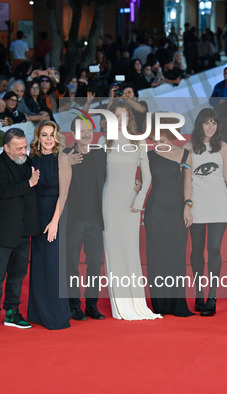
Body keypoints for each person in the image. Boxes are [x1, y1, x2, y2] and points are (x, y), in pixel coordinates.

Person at [100, 100, 161, 321]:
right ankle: (119, 306)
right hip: (108, 203)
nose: (120, 120)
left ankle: (135, 302)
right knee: (112, 252)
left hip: (131, 205)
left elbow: (148, 177)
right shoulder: (103, 141)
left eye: (124, 116)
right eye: (116, 116)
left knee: (130, 252)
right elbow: (98, 176)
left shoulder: (138, 141)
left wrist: (139, 200)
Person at [0, 128, 41, 333]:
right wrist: (29, 184)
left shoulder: (26, 161)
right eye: (19, 148)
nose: (23, 151)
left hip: (24, 230)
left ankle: (12, 312)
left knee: (17, 274)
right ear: (6, 147)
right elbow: (3, 191)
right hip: (3, 230)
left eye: (25, 147)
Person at [183, 108, 227, 316]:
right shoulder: (188, 147)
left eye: (214, 123)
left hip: (219, 203)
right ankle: (198, 291)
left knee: (214, 248)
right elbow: (187, 179)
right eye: (206, 123)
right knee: (196, 249)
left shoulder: (223, 147)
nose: (210, 127)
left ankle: (212, 295)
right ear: (199, 125)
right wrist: (187, 204)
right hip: (197, 204)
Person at [26, 120, 72, 330]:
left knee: (53, 266)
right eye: (44, 135)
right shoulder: (32, 158)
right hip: (36, 217)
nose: (47, 139)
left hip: (55, 216)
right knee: (38, 265)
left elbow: (64, 194)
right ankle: (38, 313)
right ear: (38, 136)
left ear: (57, 137)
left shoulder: (62, 158)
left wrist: (54, 222)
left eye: (51, 134)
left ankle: (57, 316)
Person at [145, 128, 195, 317]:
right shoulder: (148, 155)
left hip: (177, 210)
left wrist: (187, 206)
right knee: (157, 257)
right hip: (155, 211)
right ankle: (160, 305)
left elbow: (187, 183)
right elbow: (142, 180)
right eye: (153, 138)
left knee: (176, 256)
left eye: (160, 136)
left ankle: (177, 304)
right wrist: (137, 184)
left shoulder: (185, 154)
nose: (156, 141)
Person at [64, 120, 106, 321]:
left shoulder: (101, 154)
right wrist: (65, 164)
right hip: (73, 220)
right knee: (71, 264)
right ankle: (74, 305)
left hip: (96, 220)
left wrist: (136, 181)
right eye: (82, 130)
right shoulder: (65, 155)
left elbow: (115, 177)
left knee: (95, 264)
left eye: (89, 130)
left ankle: (91, 304)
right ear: (73, 133)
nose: (87, 134)